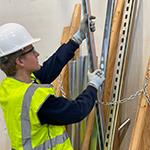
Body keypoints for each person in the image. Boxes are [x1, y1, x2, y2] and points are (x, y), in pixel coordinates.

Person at [0, 14, 104, 150]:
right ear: (20, 61)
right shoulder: (37, 101)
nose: (37, 54)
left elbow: (51, 67)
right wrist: (93, 86)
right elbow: (76, 111)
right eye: (32, 51)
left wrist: (77, 38)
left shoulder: (10, 87)